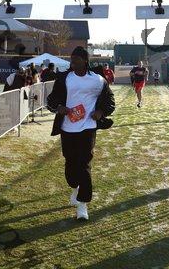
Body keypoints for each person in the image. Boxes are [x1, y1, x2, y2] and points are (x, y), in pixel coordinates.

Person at [47, 47, 115, 221]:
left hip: (88, 127)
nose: (72, 63)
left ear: (85, 61)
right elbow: (51, 100)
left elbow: (110, 101)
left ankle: (83, 205)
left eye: (76, 60)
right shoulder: (64, 78)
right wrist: (59, 108)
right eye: (71, 60)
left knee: (84, 164)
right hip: (67, 128)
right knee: (70, 164)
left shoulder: (98, 80)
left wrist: (100, 112)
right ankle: (74, 188)